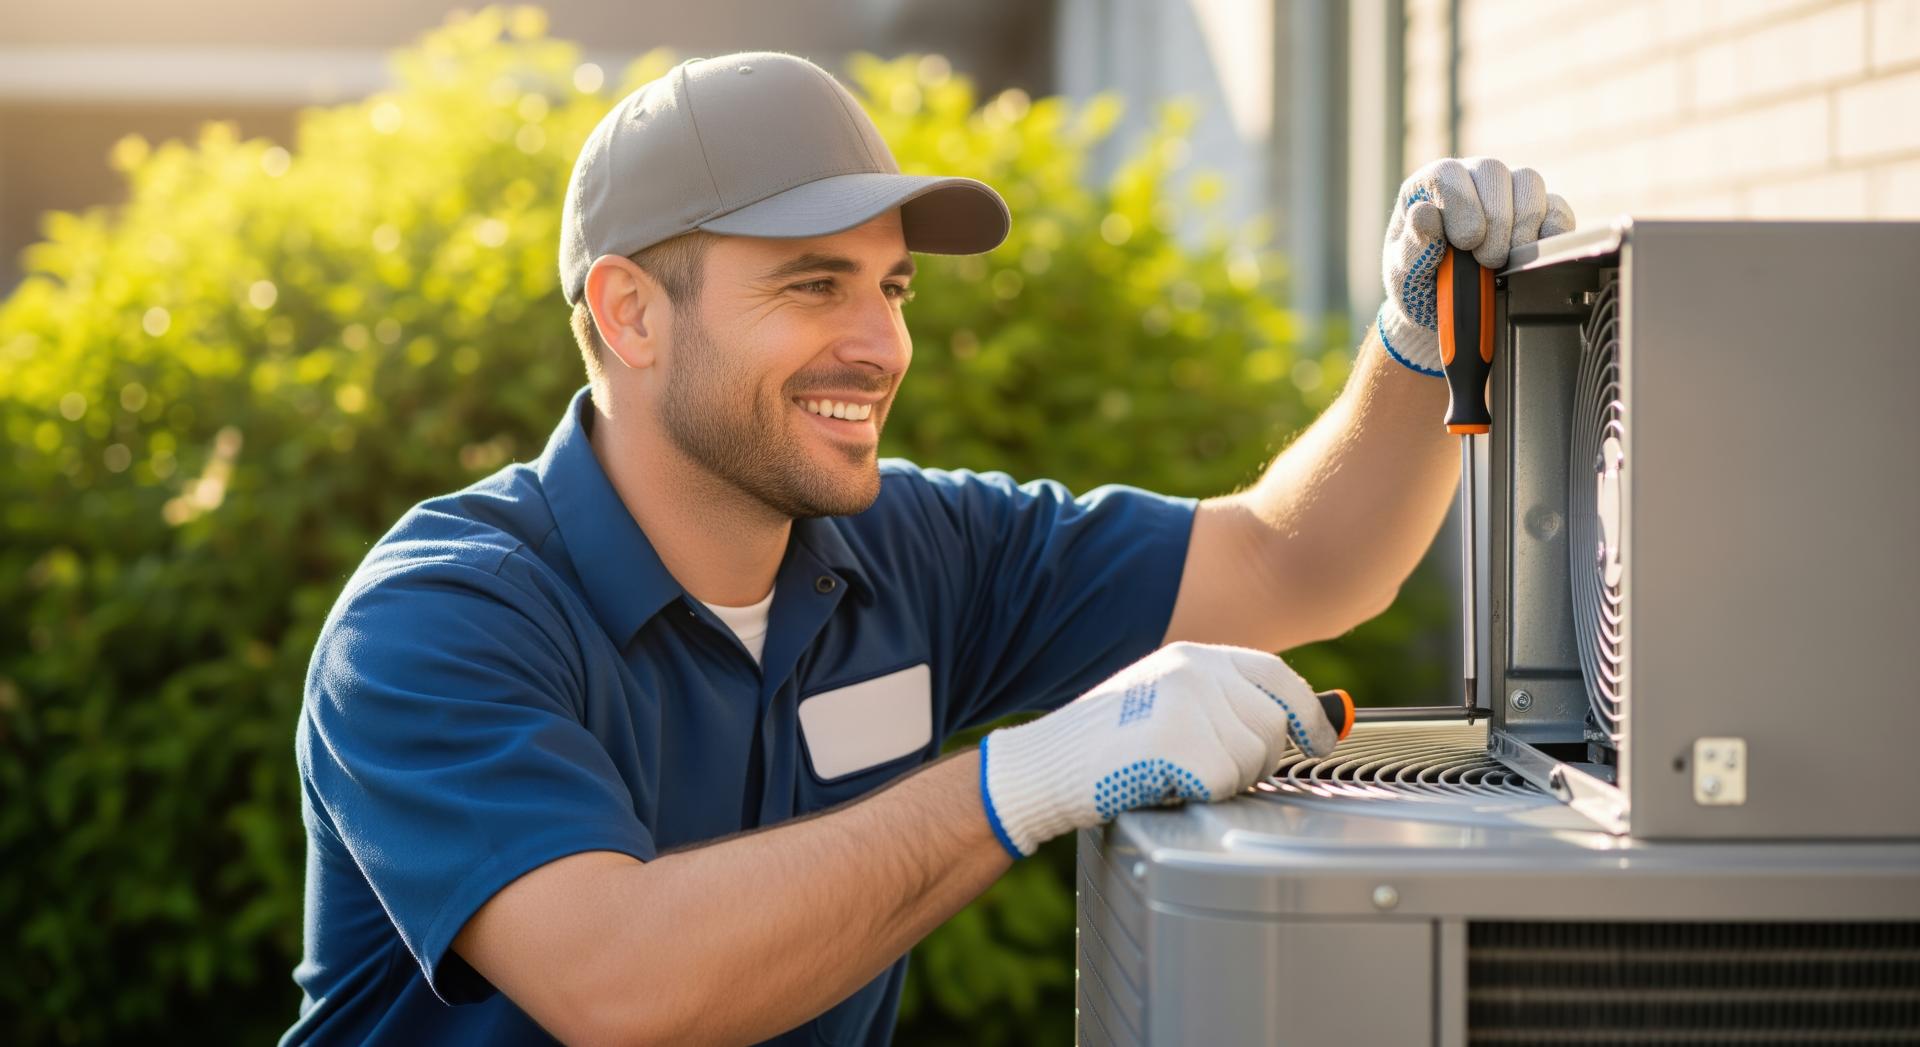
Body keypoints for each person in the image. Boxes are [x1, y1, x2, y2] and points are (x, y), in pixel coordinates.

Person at [282, 51, 1574, 1046]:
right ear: (630, 313)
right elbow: (621, 988)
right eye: (811, 284)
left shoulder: (913, 546)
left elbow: (1304, 566)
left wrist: (1416, 344)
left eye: (890, 287)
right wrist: (1031, 778)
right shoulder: (437, 619)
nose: (881, 344)